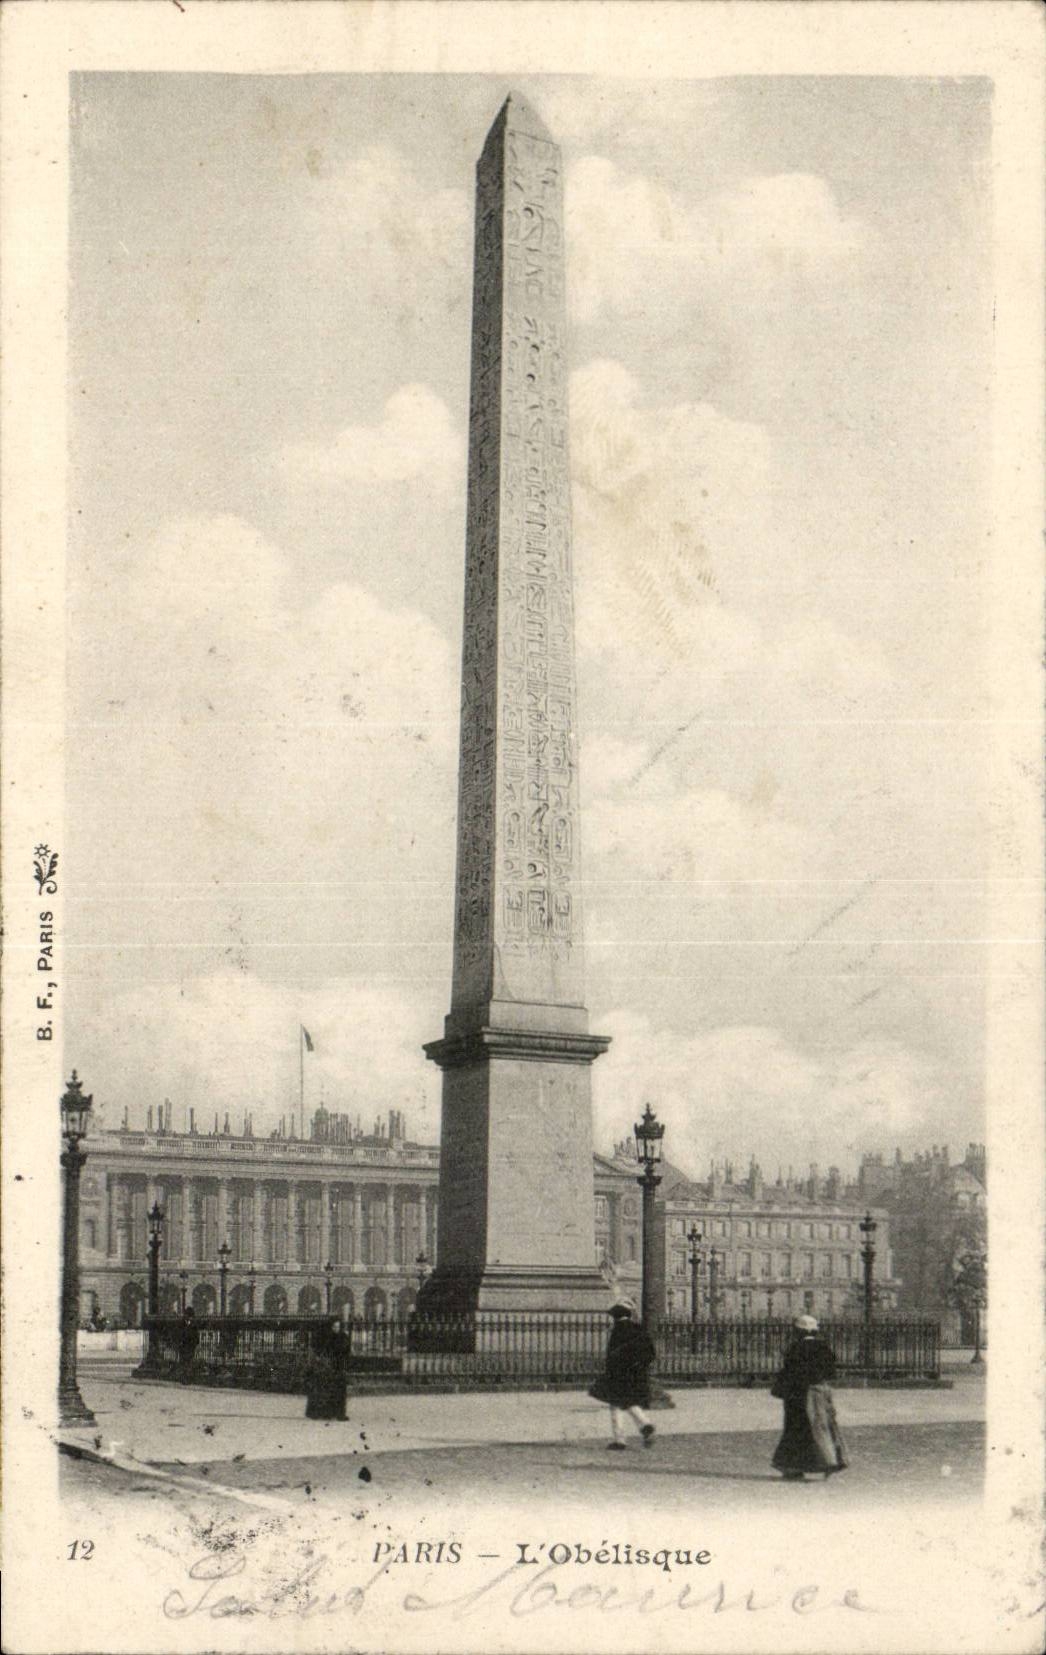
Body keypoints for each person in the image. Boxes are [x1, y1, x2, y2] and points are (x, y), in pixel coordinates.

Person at [770, 1313, 848, 1481]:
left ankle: (793, 1467)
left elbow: (789, 1372)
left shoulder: (795, 1348)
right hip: (820, 1391)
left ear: (798, 1331)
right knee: (822, 1426)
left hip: (797, 1393)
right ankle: (830, 1461)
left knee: (795, 1429)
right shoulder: (824, 1348)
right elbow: (831, 1372)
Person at [598, 1298, 657, 1451]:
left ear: (616, 1316)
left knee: (616, 1405)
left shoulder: (618, 1331)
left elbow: (612, 1355)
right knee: (628, 1401)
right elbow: (650, 1353)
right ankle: (645, 1425)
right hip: (635, 1373)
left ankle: (620, 1439)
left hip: (618, 1374)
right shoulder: (639, 1329)